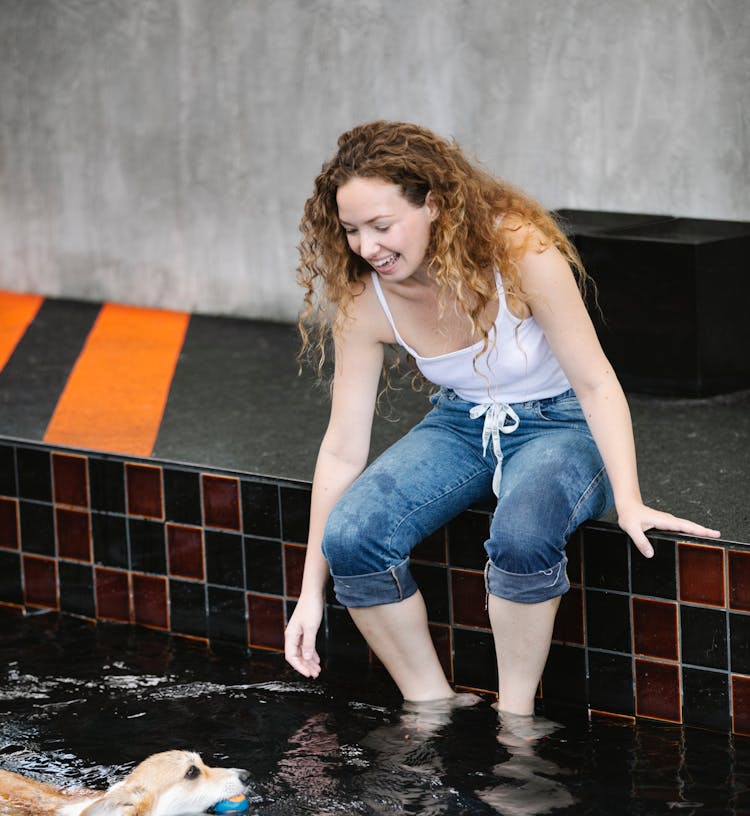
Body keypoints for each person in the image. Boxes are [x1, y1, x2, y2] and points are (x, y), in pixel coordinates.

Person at [284, 121, 720, 726]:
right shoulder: (365, 300)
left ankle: (515, 729)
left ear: (433, 203)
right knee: (354, 536)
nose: (366, 246)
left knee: (522, 534)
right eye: (351, 230)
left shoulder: (518, 250)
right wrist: (310, 593)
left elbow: (596, 383)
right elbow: (340, 450)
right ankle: (430, 706)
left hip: (561, 424)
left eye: (382, 226)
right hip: (461, 424)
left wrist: (629, 501)